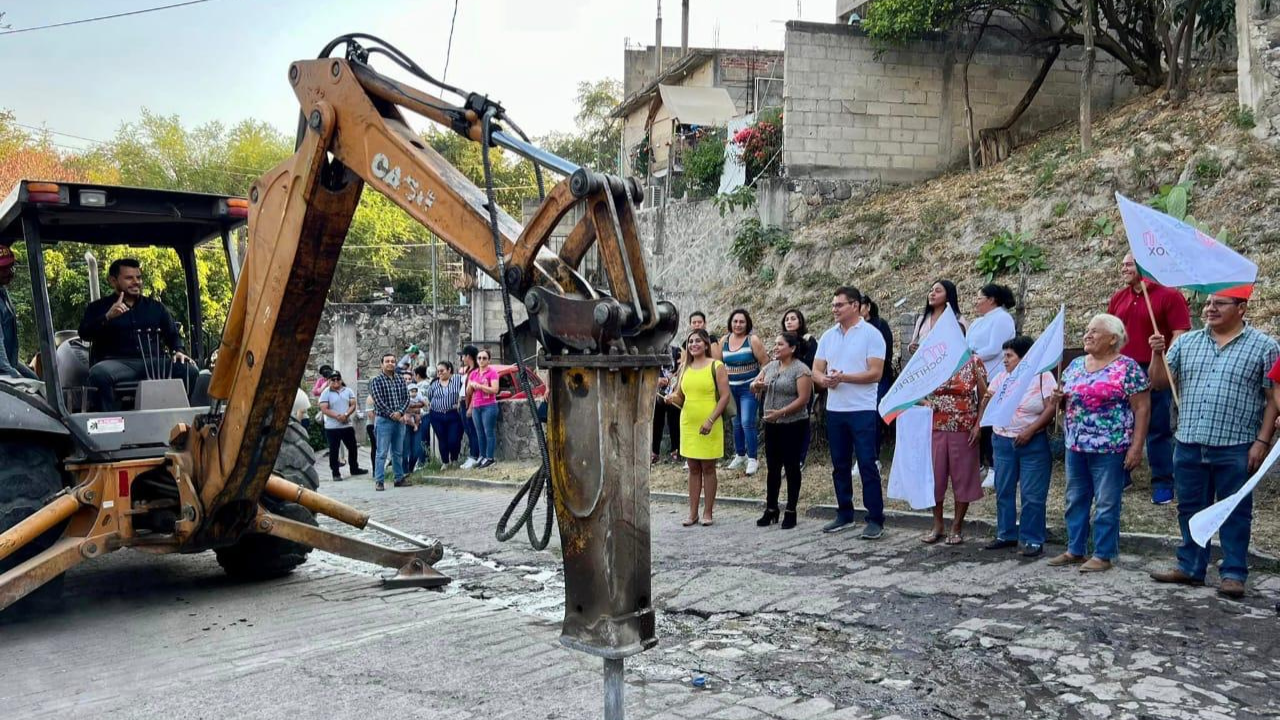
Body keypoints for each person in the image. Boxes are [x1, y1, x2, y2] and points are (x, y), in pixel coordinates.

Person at [1147, 293, 1279, 599]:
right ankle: (1190, 567)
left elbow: (1274, 399)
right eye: (1208, 303)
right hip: (1189, 441)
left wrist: (1262, 440)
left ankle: (1233, 573)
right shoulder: (1186, 343)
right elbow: (1158, 382)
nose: (1210, 309)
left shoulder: (1265, 347)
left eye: (1219, 303)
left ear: (1242, 308)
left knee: (1235, 510)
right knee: (1190, 508)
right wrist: (1157, 354)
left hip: (1237, 444)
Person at [1049, 314, 1150, 572]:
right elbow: (1064, 402)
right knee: (1075, 498)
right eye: (1087, 330)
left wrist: (1136, 446)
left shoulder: (1127, 368)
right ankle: (1075, 548)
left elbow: (1142, 408)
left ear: (1112, 339)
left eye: (1095, 331)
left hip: (1110, 448)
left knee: (1106, 501)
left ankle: (1103, 554)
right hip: (1076, 445)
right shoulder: (1075, 366)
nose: (1087, 335)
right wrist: (1058, 400)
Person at [1107, 253, 1191, 505]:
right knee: (1121, 424)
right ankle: (1122, 474)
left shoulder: (1169, 295)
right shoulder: (1118, 298)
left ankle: (1163, 481)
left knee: (1158, 426)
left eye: (1129, 263)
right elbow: (1111, 332)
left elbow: (1180, 332)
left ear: (1145, 267)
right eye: (1122, 263)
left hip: (1154, 366)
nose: (1123, 267)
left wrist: (1168, 365)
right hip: (1122, 368)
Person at [813, 286, 887, 539]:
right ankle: (844, 513)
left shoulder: (872, 334)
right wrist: (824, 380)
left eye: (840, 305)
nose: (835, 309)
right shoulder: (828, 336)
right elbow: (816, 369)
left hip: (862, 409)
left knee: (867, 463)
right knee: (839, 464)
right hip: (835, 409)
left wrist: (845, 378)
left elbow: (875, 373)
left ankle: (875, 517)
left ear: (855, 306)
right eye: (833, 305)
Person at [78, 258, 195, 411]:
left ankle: (182, 419)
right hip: (116, 364)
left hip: (154, 363)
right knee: (98, 374)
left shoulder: (156, 308)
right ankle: (111, 424)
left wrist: (179, 351)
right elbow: (84, 333)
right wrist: (107, 317)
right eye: (129, 278)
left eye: (138, 277)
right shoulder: (98, 307)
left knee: (190, 370)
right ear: (113, 281)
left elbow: (172, 336)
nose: (136, 282)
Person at [978, 336, 1057, 557]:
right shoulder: (1001, 378)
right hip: (1002, 442)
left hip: (1033, 442)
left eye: (1009, 356)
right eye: (1004, 355)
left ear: (1024, 357)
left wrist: (1030, 430)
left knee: (1032, 493)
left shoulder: (1042, 376)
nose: (1005, 360)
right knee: (1004, 489)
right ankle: (1006, 533)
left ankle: (1032, 538)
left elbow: (1051, 408)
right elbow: (990, 400)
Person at [664, 328, 730, 526]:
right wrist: (671, 398)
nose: (693, 344)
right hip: (688, 422)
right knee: (693, 468)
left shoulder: (716, 366)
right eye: (690, 341)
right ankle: (692, 512)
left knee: (708, 468)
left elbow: (725, 396)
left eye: (698, 341)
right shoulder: (684, 367)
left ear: (706, 344)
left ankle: (708, 512)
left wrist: (710, 420)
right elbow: (680, 395)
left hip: (710, 420)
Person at [921, 353, 986, 545]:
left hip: (964, 427)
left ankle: (957, 527)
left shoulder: (974, 362)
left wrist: (979, 425)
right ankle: (937, 525)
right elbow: (914, 393)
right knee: (936, 478)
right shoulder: (931, 360)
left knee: (963, 477)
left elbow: (985, 396)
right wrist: (925, 403)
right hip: (935, 427)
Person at [750, 332, 813, 529]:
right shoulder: (770, 366)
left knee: (792, 467)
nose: (775, 347)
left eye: (780, 344)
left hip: (793, 424)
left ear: (792, 348)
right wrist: (756, 385)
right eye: (774, 344)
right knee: (773, 467)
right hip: (772, 424)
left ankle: (791, 510)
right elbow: (754, 384)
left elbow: (803, 399)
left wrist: (781, 413)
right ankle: (771, 508)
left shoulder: (801, 370)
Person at [968, 283, 1018, 486]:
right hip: (973, 375)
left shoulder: (1002, 318)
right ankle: (979, 463)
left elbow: (995, 348)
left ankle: (993, 467)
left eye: (980, 298)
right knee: (975, 419)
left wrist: (972, 355)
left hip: (992, 376)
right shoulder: (977, 322)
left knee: (988, 421)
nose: (976, 302)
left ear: (991, 300)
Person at [722, 309, 770, 475]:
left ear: (747, 323)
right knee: (736, 422)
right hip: (731, 388)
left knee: (747, 421)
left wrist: (758, 382)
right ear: (730, 322)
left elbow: (765, 363)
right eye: (735, 321)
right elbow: (719, 365)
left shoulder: (752, 340)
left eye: (741, 322)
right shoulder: (724, 341)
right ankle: (740, 454)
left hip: (748, 388)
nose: (738, 325)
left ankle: (752, 458)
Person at [783, 309, 820, 468]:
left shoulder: (808, 340)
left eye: (793, 318)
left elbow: (811, 363)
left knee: (802, 420)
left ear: (800, 321)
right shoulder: (781, 340)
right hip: (785, 387)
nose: (789, 321)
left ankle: (800, 457)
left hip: (803, 385)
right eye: (787, 319)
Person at [369, 353, 410, 490]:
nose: (390, 363)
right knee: (382, 452)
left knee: (398, 452)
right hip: (384, 420)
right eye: (387, 361)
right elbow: (378, 401)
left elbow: (406, 398)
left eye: (393, 361)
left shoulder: (400, 379)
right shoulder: (377, 380)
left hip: (399, 420)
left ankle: (399, 478)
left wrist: (400, 412)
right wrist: (392, 414)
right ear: (382, 364)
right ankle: (379, 481)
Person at [862, 295, 895, 461]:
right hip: (856, 379)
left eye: (858, 305)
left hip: (878, 377)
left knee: (873, 415)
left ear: (867, 307)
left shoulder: (880, 325)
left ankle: (873, 456)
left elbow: (886, 353)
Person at [318, 372, 367, 482]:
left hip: (346, 425)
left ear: (341, 380)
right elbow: (324, 408)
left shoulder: (348, 391)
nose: (336, 381)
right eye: (333, 379)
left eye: (338, 379)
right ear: (329, 381)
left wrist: (346, 415)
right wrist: (337, 416)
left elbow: (353, 404)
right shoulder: (326, 393)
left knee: (353, 448)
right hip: (332, 427)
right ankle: (335, 473)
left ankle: (354, 468)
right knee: (334, 450)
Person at [0, 243, 36, 380]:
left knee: (37, 382)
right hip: (3, 366)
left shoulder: (3, 292)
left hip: (10, 362)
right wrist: (13, 374)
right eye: (3, 269)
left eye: (10, 267)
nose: (9, 272)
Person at [909, 279, 967, 355]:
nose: (932, 294)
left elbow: (964, 346)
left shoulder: (958, 319)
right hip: (924, 364)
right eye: (931, 291)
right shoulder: (922, 319)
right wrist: (911, 347)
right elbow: (914, 342)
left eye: (938, 291)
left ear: (948, 297)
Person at [466, 349, 501, 468]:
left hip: (489, 405)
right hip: (476, 405)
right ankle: (482, 455)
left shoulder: (492, 373)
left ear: (489, 360)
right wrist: (471, 386)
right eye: (479, 358)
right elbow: (468, 392)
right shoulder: (474, 373)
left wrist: (480, 386)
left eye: (484, 358)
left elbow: (495, 390)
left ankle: (490, 457)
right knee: (479, 432)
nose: (481, 360)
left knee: (488, 432)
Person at [427, 361, 465, 468]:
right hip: (437, 415)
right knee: (442, 438)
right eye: (438, 371)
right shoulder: (434, 383)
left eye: (442, 371)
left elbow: (463, 391)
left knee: (454, 438)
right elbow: (430, 397)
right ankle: (445, 462)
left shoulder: (458, 379)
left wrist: (458, 402)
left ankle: (454, 459)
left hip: (453, 414)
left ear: (449, 370)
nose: (440, 373)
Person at [652, 344, 682, 464]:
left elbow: (681, 370)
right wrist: (656, 380)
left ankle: (675, 450)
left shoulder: (677, 351)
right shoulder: (652, 351)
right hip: (656, 393)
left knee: (674, 422)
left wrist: (672, 381)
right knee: (656, 422)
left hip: (673, 391)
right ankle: (654, 452)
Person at [457, 346, 483, 469]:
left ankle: (475, 455)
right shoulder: (467, 370)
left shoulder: (475, 371)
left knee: (472, 430)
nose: (462, 358)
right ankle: (472, 455)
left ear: (468, 356)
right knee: (468, 430)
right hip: (463, 401)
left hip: (469, 403)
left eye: (463, 355)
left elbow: (474, 392)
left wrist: (470, 407)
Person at [403, 379, 426, 473]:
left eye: (409, 378)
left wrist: (415, 407)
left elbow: (423, 404)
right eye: (405, 379)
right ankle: (404, 471)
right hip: (405, 424)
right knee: (405, 449)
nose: (407, 380)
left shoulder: (418, 393)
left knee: (417, 449)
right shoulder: (401, 393)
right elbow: (404, 406)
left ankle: (411, 468)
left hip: (417, 424)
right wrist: (414, 408)